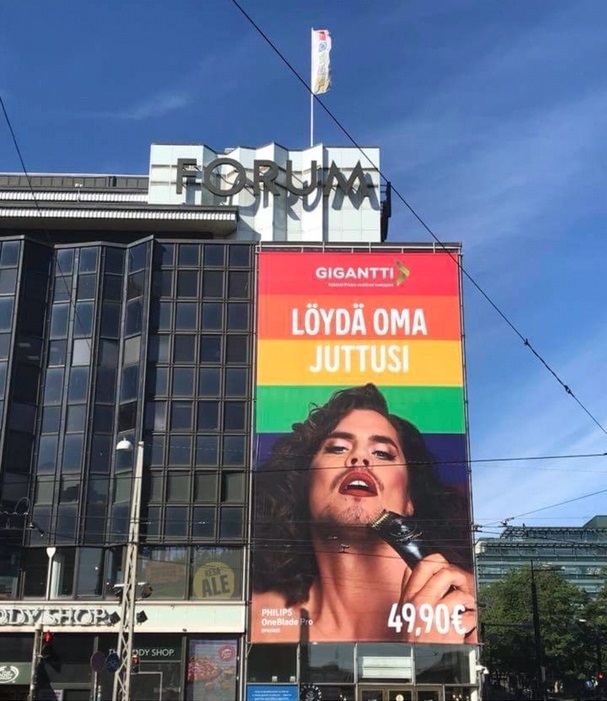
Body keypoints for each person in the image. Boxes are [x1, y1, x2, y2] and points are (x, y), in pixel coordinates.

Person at [251, 383, 476, 643]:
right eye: (337, 448)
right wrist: (426, 658)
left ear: (409, 498)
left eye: (382, 453)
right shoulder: (258, 622)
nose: (359, 457)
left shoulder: (469, 603)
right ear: (303, 483)